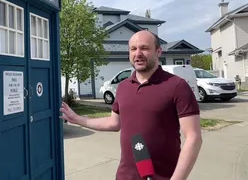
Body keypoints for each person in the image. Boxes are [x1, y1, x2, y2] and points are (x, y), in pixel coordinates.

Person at [60, 30, 202, 180]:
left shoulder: (177, 86)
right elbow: (114, 123)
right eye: (133, 49)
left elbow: (193, 137)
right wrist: (77, 119)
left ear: (158, 52)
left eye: (144, 48)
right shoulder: (123, 87)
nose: (138, 53)